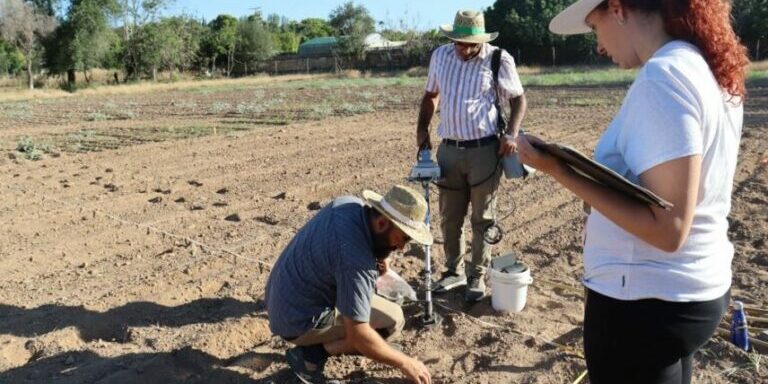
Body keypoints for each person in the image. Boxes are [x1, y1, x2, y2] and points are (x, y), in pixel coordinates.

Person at [516, 0, 749, 383]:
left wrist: (557, 169)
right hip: (682, 293)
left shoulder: (665, 76)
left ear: (619, 9)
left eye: (595, 27)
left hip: (645, 302)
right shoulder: (700, 67)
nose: (598, 46)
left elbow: (668, 228)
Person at [265, 185, 433, 384]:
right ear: (381, 223)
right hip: (297, 321)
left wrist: (380, 254)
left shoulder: (348, 204)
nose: (402, 247)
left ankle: (332, 346)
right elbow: (358, 333)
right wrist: (404, 362)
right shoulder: (355, 260)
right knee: (391, 321)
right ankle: (311, 356)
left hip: (281, 296)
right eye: (402, 237)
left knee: (376, 324)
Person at [416, 10, 527, 302]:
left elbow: (518, 99)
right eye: (458, 42)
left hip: (485, 151)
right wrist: (422, 132)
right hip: (449, 150)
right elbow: (430, 95)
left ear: (480, 40)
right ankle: (453, 271)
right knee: (449, 218)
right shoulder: (440, 56)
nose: (463, 49)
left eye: (469, 44)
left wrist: (512, 134)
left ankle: (476, 276)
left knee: (483, 218)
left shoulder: (498, 59)